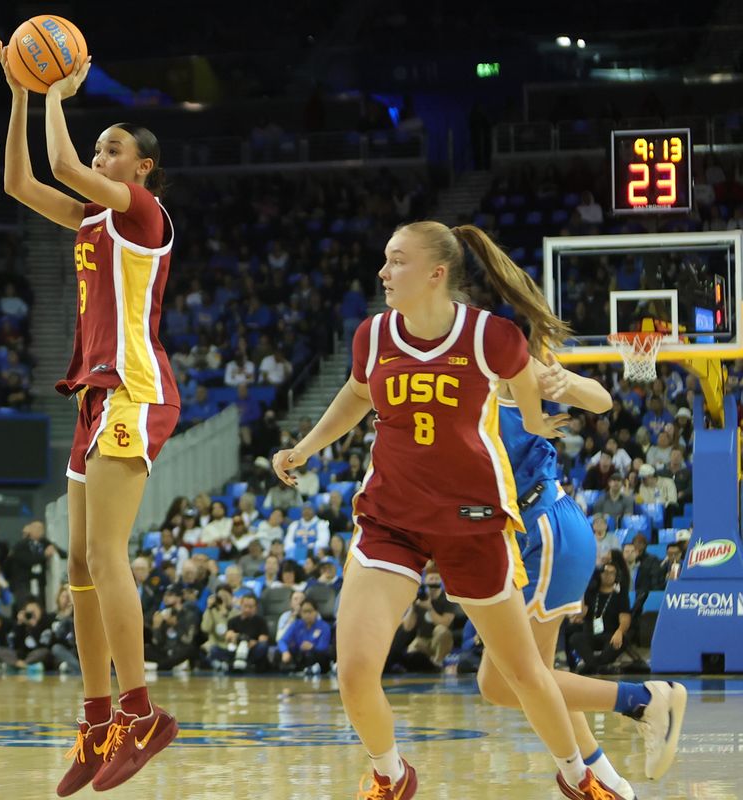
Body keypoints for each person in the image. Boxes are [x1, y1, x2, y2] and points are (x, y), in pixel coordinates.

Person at [272, 221, 624, 799]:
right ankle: (390, 775)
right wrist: (306, 447)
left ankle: (578, 776)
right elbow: (359, 394)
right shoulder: (373, 336)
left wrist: (566, 388)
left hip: (473, 522)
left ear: (437, 273)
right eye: (385, 261)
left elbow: (566, 408)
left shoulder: (493, 338)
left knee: (521, 674)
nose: (383, 272)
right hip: (391, 518)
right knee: (355, 674)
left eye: (397, 261)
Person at [0, 42, 179, 794]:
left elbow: (65, 167)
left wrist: (55, 91)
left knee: (107, 556)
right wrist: (20, 91)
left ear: (141, 170)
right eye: (99, 145)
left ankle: (141, 714)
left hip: (136, 389)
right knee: (76, 569)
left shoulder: (143, 215)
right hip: (93, 396)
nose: (99, 155)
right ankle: (98, 718)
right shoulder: (87, 222)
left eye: (114, 148)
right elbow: (18, 180)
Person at [475, 322, 684, 792]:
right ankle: (605, 783)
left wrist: (565, 382)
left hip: (545, 526)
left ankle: (644, 698)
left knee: (509, 682)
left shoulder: (495, 365)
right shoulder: (437, 387)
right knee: (531, 681)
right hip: (520, 535)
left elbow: (600, 399)